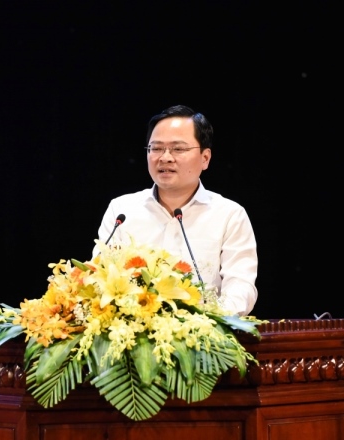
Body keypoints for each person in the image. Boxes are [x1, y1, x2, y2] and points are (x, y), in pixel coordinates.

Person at [94, 105, 258, 316]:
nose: (165, 157)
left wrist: (212, 319)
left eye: (178, 149)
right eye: (156, 148)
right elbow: (99, 277)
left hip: (202, 339)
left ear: (205, 158)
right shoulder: (122, 211)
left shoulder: (229, 215)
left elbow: (240, 286)